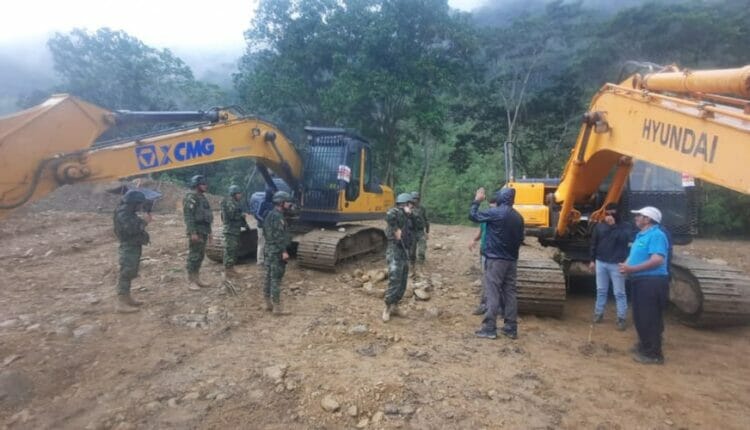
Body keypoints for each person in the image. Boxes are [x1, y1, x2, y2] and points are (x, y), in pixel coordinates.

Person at [469, 187, 524, 340]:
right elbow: (520, 239)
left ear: (501, 198)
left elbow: (473, 216)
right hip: (511, 260)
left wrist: (477, 201)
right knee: (510, 293)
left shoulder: (495, 213)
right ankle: (511, 328)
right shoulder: (518, 217)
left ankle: (489, 327)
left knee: (492, 291)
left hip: (495, 259)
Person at [618, 206, 670, 365]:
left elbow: (657, 260)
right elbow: (634, 255)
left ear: (648, 219)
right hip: (640, 281)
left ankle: (653, 354)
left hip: (651, 282)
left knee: (650, 318)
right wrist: (625, 266)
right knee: (640, 317)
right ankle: (644, 346)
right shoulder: (641, 235)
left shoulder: (657, 235)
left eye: (639, 216)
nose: (636, 218)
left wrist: (631, 268)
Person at [589, 203, 632, 330]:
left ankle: (621, 318)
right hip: (601, 262)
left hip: (617, 263)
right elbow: (593, 243)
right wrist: (592, 260)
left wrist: (613, 226)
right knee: (601, 290)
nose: (610, 216)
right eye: (607, 213)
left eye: (612, 213)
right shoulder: (600, 226)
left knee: (619, 292)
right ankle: (598, 313)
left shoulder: (626, 227)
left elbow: (624, 239)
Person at [112, 190, 151, 313]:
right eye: (139, 204)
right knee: (126, 272)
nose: (140, 207)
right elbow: (131, 229)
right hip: (128, 245)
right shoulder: (123, 213)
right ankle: (121, 302)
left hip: (133, 245)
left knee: (131, 271)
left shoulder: (128, 211)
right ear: (133, 203)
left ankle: (127, 298)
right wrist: (144, 222)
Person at [382, 193, 415, 322]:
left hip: (404, 250)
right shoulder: (395, 213)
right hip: (394, 250)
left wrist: (408, 214)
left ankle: (396, 306)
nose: (412, 206)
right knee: (395, 277)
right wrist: (396, 229)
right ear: (405, 204)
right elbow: (389, 214)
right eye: (410, 204)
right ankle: (387, 307)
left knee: (403, 279)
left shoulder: (408, 217)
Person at [263, 191, 293, 314]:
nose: (289, 204)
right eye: (287, 202)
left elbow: (266, 233)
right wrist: (284, 251)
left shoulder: (270, 215)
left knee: (268, 277)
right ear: (281, 203)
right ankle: (277, 307)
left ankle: (268, 303)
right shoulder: (278, 217)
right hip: (277, 251)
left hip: (269, 249)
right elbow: (279, 236)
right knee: (276, 279)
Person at [468, 196, 498, 315]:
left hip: (493, 253)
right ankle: (485, 304)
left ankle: (489, 306)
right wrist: (474, 240)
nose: (491, 206)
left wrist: (476, 201)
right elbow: (481, 231)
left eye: (493, 204)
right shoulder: (486, 217)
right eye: (490, 204)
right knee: (486, 278)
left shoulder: (497, 217)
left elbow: (472, 215)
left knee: (492, 279)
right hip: (485, 251)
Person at [183, 174, 213, 291]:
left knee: (200, 256)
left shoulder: (202, 197)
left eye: (205, 184)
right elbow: (188, 216)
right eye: (203, 184)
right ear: (196, 185)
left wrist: (209, 233)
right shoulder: (191, 197)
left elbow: (207, 216)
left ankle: (197, 278)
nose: (205, 186)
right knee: (194, 256)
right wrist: (192, 232)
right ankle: (191, 281)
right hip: (196, 230)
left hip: (204, 230)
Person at [221, 185, 249, 283]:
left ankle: (231, 268)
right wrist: (242, 215)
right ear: (233, 194)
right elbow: (232, 215)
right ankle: (227, 270)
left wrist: (245, 224)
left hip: (235, 230)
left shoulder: (236, 202)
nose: (240, 195)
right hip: (230, 231)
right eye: (238, 193)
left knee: (233, 250)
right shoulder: (228, 201)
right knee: (230, 250)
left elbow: (239, 216)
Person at [410, 192, 430, 276]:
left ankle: (421, 264)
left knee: (422, 249)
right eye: (414, 199)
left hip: (420, 231)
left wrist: (427, 231)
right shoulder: (408, 209)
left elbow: (426, 220)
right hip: (412, 231)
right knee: (412, 250)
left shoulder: (422, 208)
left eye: (417, 199)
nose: (415, 200)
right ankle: (412, 264)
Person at [255, 188, 274, 265]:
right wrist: (263, 221)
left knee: (268, 244)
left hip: (269, 227)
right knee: (261, 243)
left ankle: (267, 259)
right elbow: (257, 215)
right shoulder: (263, 203)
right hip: (261, 227)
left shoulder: (272, 204)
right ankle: (260, 260)